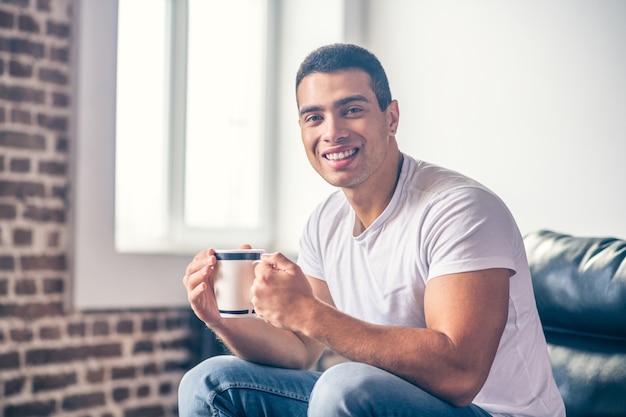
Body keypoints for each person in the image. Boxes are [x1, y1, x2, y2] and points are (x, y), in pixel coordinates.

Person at [179, 43, 565, 417]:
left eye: (351, 110)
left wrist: (308, 311)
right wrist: (223, 319)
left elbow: (460, 374)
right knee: (209, 381)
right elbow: (299, 350)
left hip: (491, 412)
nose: (332, 132)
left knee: (344, 386)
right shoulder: (323, 222)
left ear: (391, 118)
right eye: (314, 117)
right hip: (379, 402)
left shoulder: (459, 208)